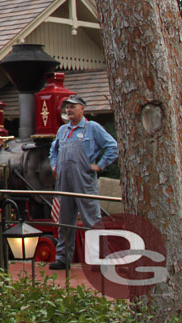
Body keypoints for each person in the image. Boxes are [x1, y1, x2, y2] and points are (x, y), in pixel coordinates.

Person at [48, 95, 118, 270]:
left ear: (82, 109)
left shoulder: (92, 128)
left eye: (72, 107)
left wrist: (99, 166)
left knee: (92, 220)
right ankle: (63, 258)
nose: (68, 110)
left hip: (84, 180)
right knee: (64, 220)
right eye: (67, 108)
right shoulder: (62, 130)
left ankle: (99, 260)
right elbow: (53, 150)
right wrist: (54, 165)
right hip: (64, 181)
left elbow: (112, 147)